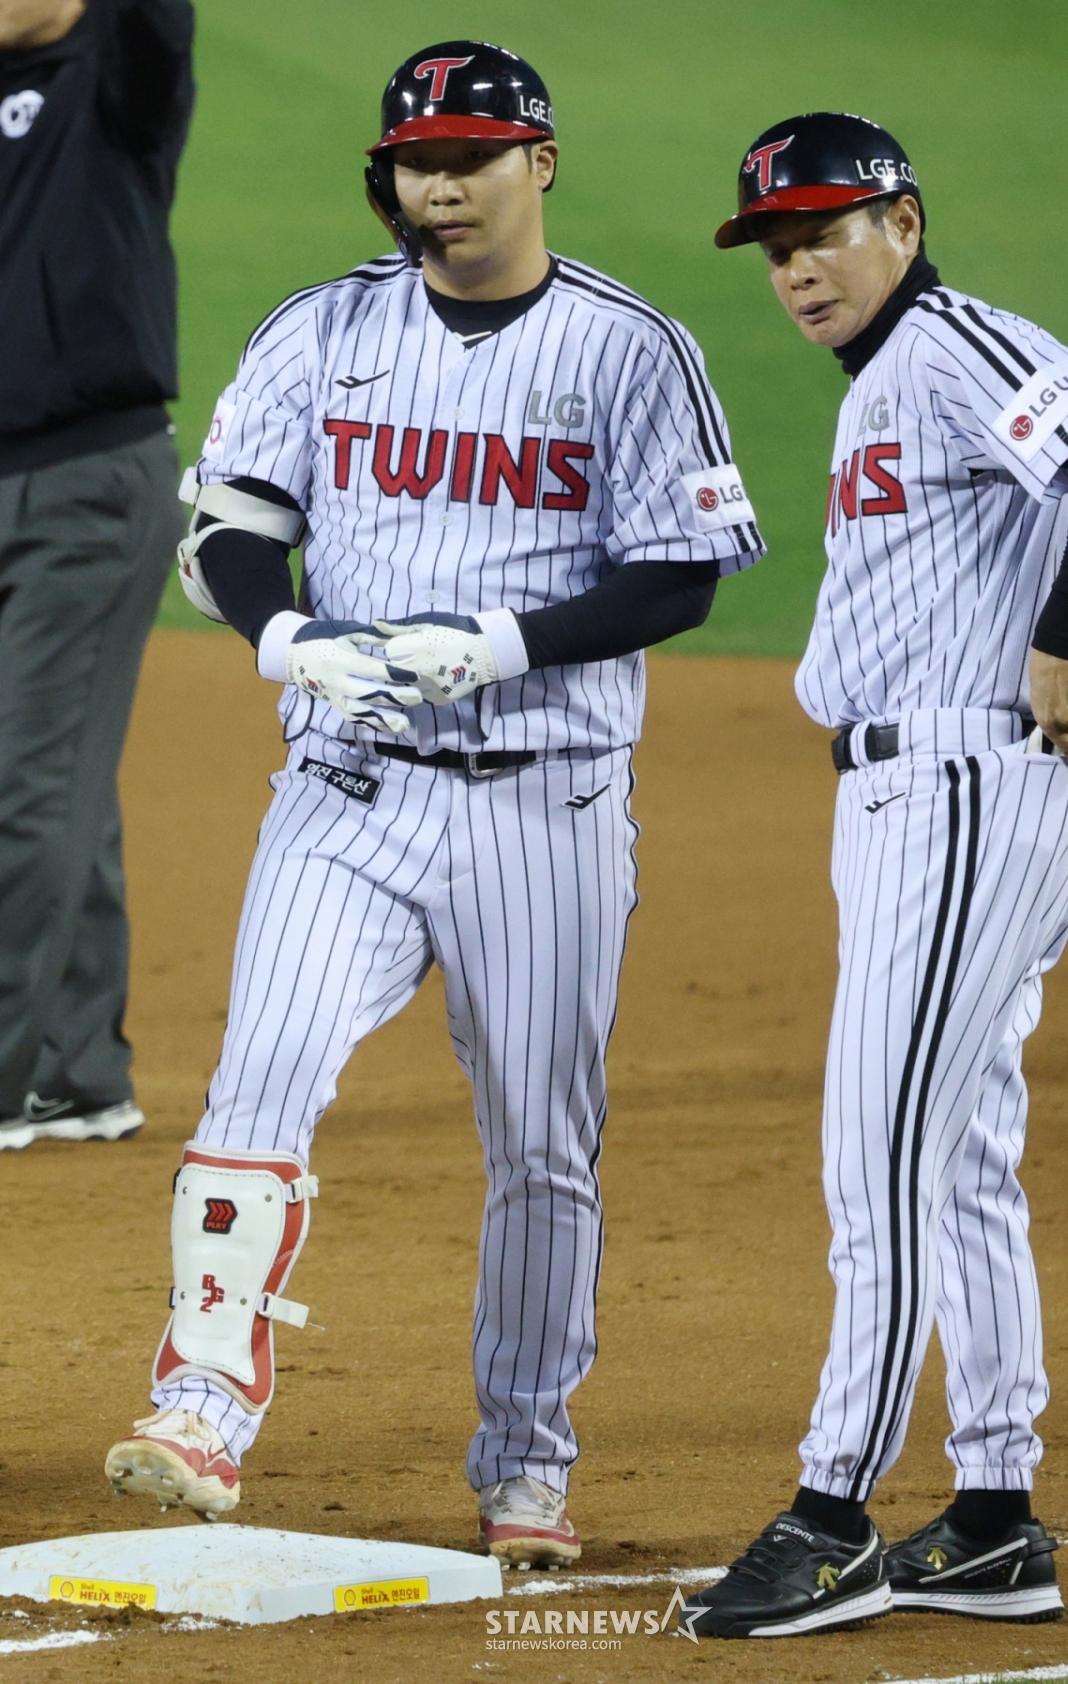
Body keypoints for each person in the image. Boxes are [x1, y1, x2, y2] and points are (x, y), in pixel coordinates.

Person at [103, 41, 763, 1565]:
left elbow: (681, 570)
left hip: (546, 808)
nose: (439, 185)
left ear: (540, 163)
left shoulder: (627, 349)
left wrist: (504, 643)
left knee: (541, 1146)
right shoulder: (323, 330)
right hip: (346, 789)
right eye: (415, 159)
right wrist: (287, 636)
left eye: (471, 156)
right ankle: (202, 1399)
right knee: (256, 1080)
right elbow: (235, 534)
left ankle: (526, 1460)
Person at [682, 113, 1068, 1638]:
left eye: (826, 230)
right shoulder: (890, 380)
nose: (801, 266)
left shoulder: (950, 342)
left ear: (902, 220)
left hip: (961, 785)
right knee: (953, 1158)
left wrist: (1065, 640)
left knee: (876, 1158)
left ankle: (832, 1518)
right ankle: (995, 1519)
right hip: (927, 793)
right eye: (777, 247)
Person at [0, 0, 193, 1151]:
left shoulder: (118, 77)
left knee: (24, 790)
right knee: (50, 772)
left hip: (81, 481)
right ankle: (71, 1069)